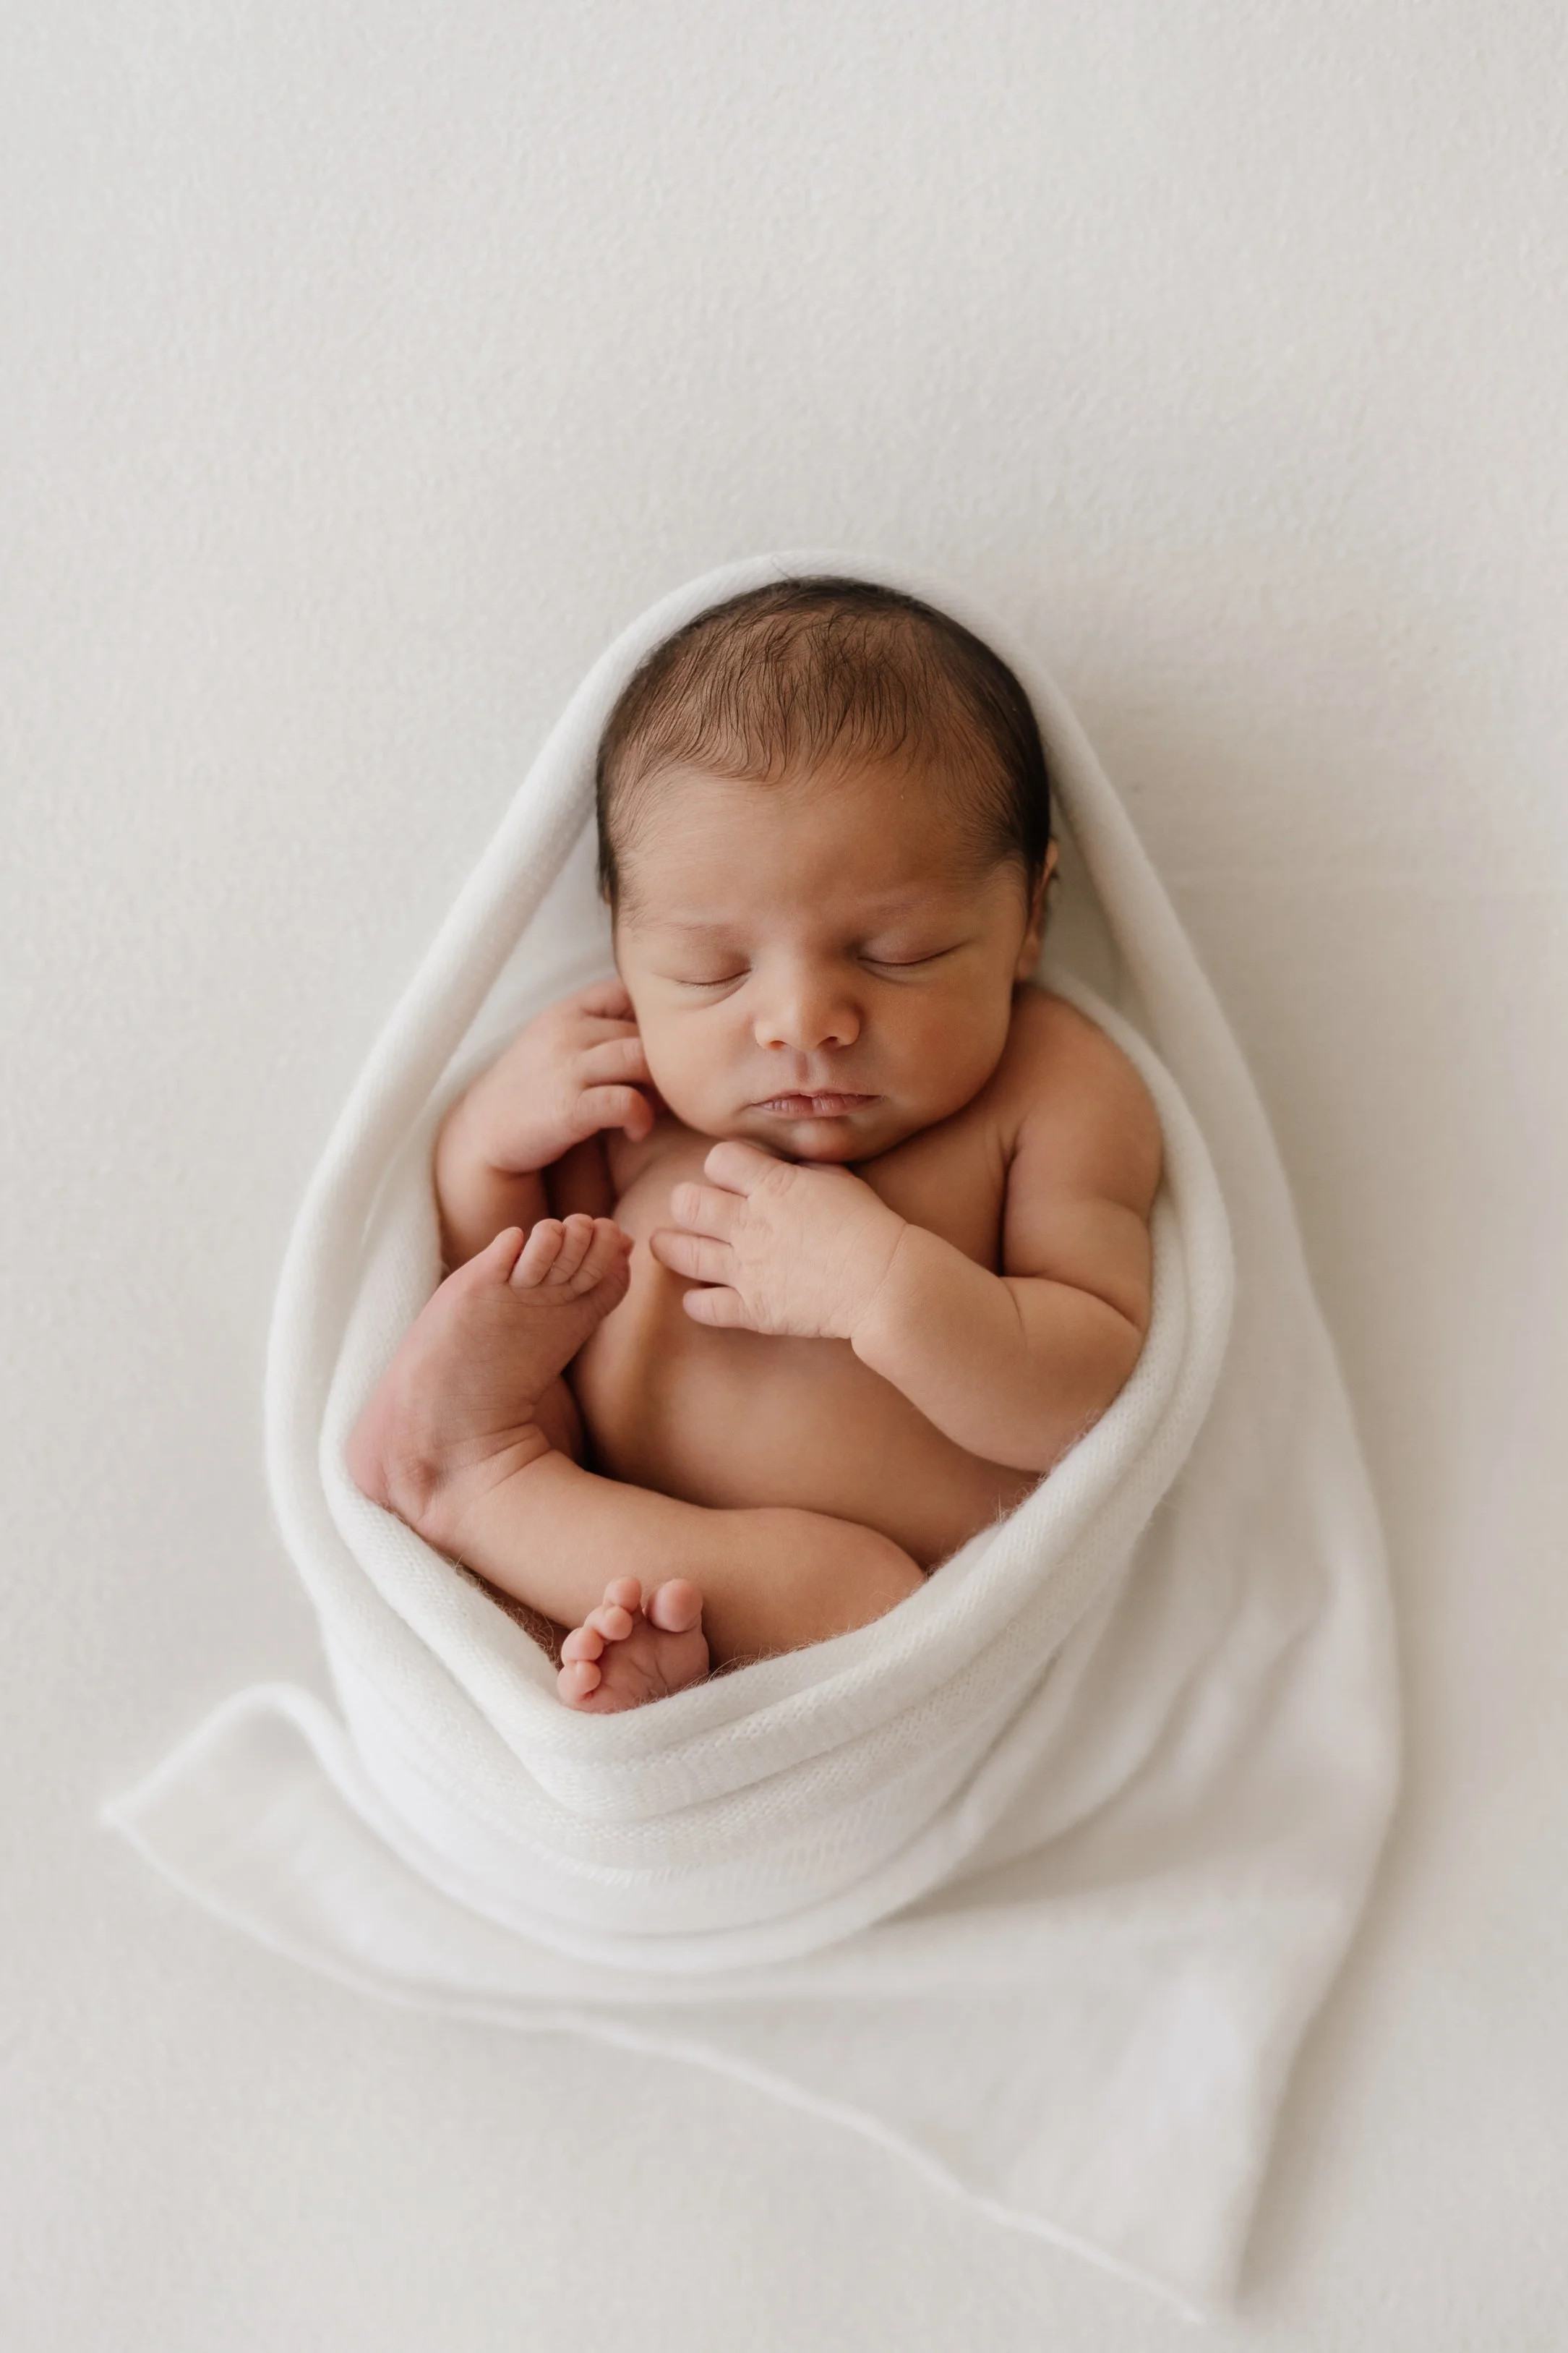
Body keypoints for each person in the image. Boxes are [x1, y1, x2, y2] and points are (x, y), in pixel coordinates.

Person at [348, 579, 1162, 1709]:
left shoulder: (1054, 1090)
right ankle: (485, 1472)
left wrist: (885, 1286)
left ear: (1030, 914)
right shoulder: (638, 1084)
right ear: (623, 940)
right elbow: (503, 1267)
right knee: (529, 1354)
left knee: (868, 1593)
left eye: (897, 951)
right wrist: (485, 1149)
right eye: (713, 972)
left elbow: (1086, 1394)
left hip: (826, 1611)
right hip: (587, 1469)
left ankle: (484, 1497)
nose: (800, 1022)